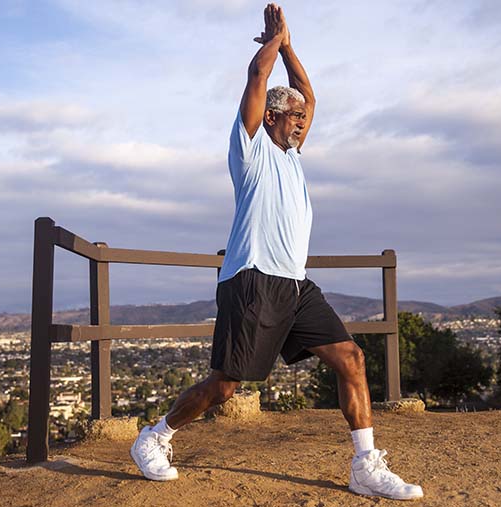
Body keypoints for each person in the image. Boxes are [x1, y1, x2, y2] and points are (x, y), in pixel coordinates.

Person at [130, 4, 423, 501]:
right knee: (226, 385)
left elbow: (307, 93)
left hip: (294, 285)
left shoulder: (293, 156)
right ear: (271, 116)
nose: (304, 122)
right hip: (252, 279)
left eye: (305, 119)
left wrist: (289, 45)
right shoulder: (251, 149)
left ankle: (365, 466)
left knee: (351, 358)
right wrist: (272, 45)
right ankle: (155, 436)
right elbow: (255, 75)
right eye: (295, 117)